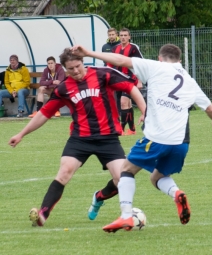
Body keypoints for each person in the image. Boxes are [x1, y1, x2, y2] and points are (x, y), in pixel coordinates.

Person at [70, 44, 212, 232]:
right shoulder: (189, 80)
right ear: (180, 61)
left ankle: (126, 216)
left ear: (160, 58)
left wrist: (88, 53)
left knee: (126, 170)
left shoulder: (155, 67)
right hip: (180, 143)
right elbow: (211, 109)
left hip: (157, 137)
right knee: (157, 177)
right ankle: (177, 193)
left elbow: (120, 60)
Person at [8, 47, 146, 227]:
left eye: (78, 66)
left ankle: (99, 197)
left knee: (121, 179)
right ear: (64, 69)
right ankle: (42, 214)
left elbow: (131, 88)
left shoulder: (102, 74)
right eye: (70, 69)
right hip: (80, 138)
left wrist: (145, 111)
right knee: (65, 171)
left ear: (83, 63)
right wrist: (21, 134)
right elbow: (44, 113)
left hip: (108, 138)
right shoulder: (64, 88)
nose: (75, 71)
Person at [107, 28, 143, 135]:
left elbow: (140, 64)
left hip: (130, 79)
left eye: (125, 35)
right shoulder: (115, 49)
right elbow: (109, 64)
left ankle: (121, 129)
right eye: (121, 35)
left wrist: (140, 81)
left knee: (123, 102)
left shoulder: (133, 48)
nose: (123, 37)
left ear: (129, 37)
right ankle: (132, 129)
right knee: (127, 104)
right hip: (118, 79)